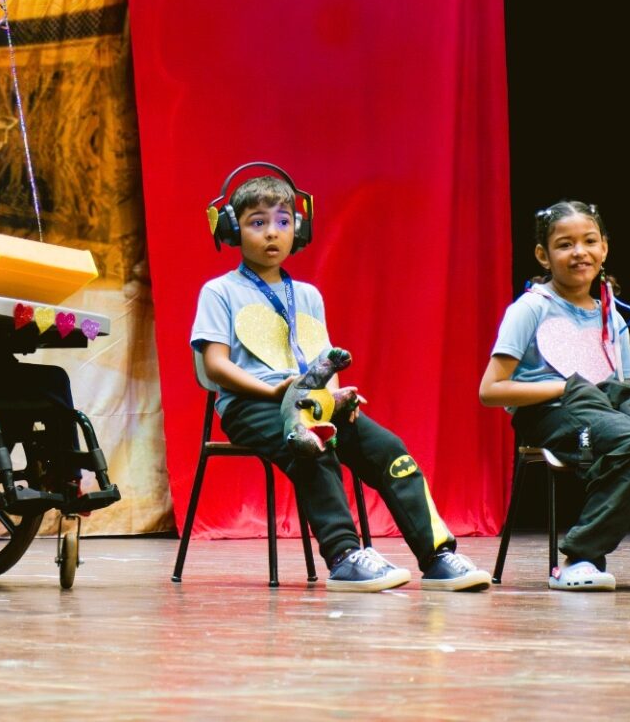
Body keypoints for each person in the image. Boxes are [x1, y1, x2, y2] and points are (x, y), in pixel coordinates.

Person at [190, 165, 490, 592]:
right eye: (257, 223)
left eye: (283, 222)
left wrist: (335, 397)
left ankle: (438, 555)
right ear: (232, 229)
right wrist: (274, 391)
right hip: (251, 404)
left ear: (299, 228)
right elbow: (215, 366)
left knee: (388, 448)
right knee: (314, 446)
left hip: (311, 401)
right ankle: (345, 556)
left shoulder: (308, 295)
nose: (272, 233)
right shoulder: (219, 291)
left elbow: (323, 361)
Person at [479, 200, 630, 591]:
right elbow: (490, 391)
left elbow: (625, 386)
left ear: (604, 248)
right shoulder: (531, 308)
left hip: (605, 407)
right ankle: (579, 559)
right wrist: (566, 386)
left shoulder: (612, 314)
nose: (580, 252)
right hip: (550, 411)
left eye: (589, 241)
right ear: (543, 255)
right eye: (565, 244)